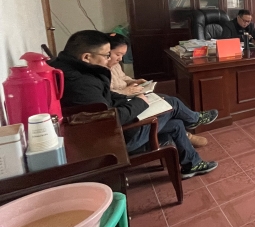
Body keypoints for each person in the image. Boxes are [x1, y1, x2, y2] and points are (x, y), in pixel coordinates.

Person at [50, 30, 219, 179]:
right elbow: (109, 119)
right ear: (87, 57)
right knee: (172, 103)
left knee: (175, 123)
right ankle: (194, 120)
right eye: (107, 55)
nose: (109, 60)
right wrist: (139, 103)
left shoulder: (73, 70)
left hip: (114, 130)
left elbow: (107, 98)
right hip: (117, 140)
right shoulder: (81, 84)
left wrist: (129, 99)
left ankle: (192, 164)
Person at [106, 33, 210, 148]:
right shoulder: (98, 75)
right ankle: (193, 120)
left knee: (167, 100)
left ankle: (188, 132)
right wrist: (126, 91)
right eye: (118, 54)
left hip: (132, 100)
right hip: (128, 109)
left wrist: (134, 81)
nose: (120, 59)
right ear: (106, 51)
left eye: (122, 55)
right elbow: (109, 97)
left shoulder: (114, 64)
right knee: (172, 103)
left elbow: (123, 78)